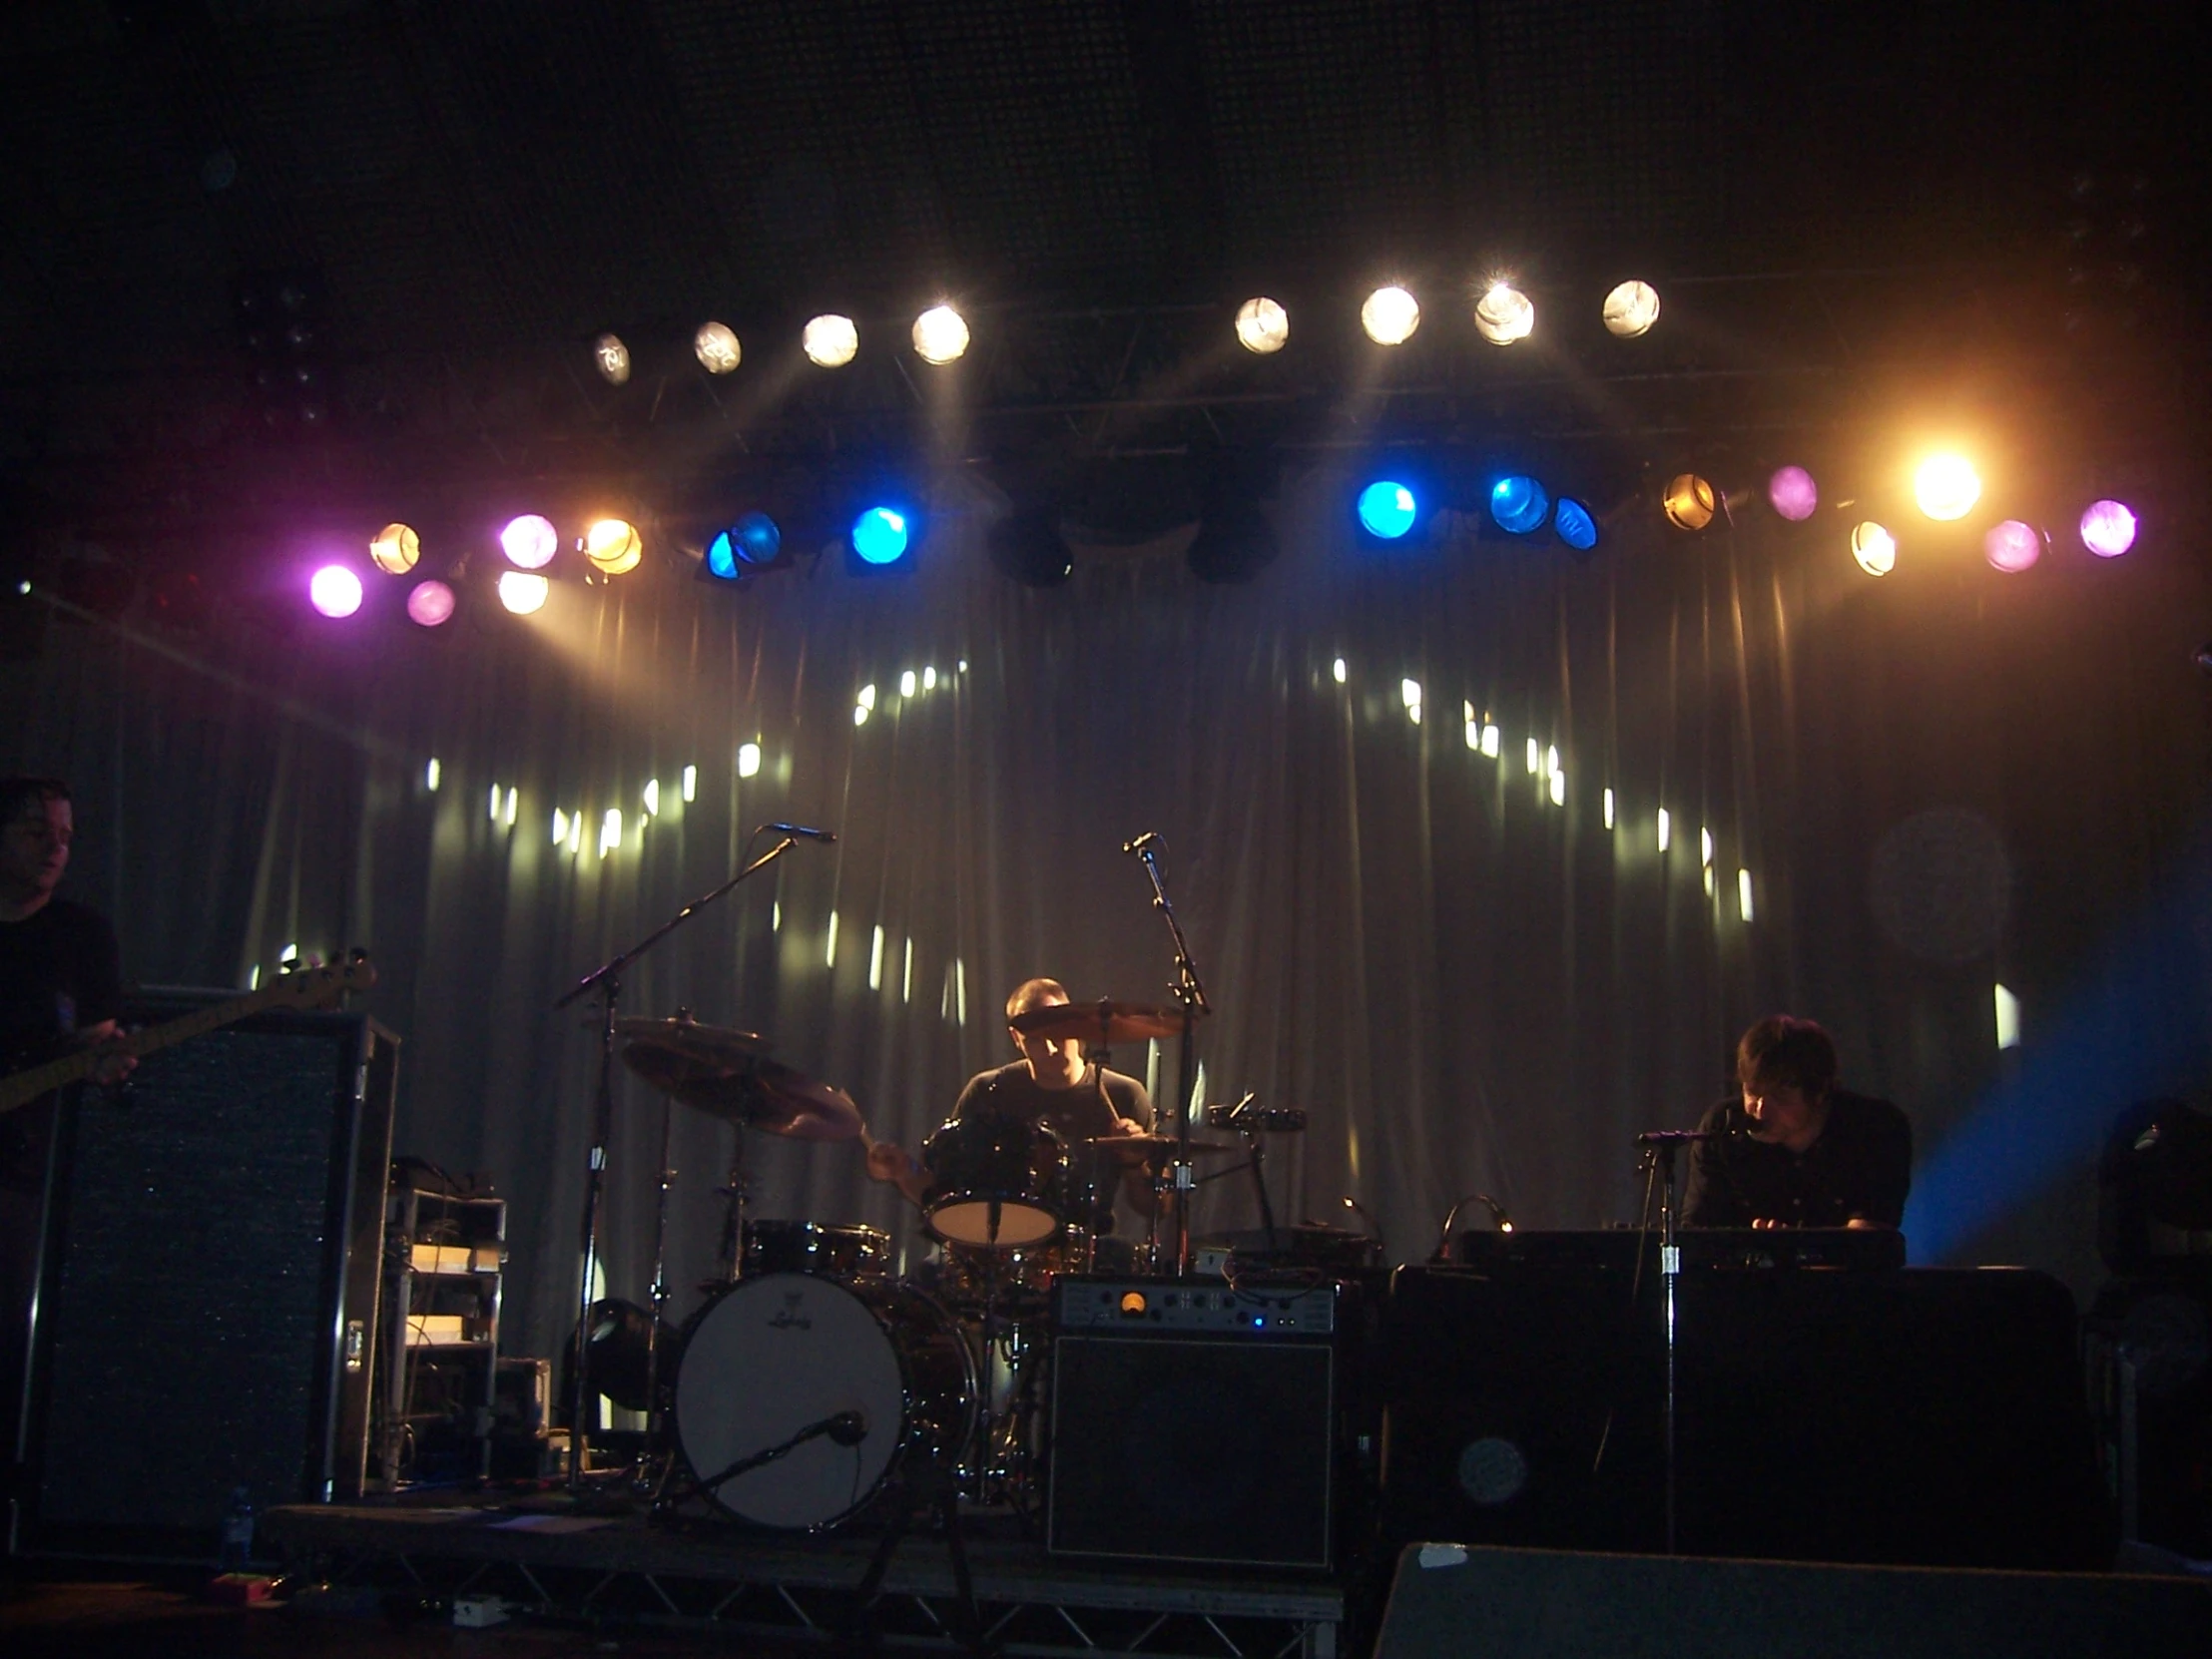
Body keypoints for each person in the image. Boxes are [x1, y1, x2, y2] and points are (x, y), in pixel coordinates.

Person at [0, 777, 133, 1494]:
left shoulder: (80, 936)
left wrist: (108, 1064)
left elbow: (97, 1045)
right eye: (35, 832)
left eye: (65, 836)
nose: (54, 848)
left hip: (24, 1176)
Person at [865, 977, 1159, 1230]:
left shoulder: (1124, 1095)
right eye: (1034, 1039)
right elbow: (945, 1192)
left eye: (1056, 1033)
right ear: (1016, 1039)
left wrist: (1136, 1164)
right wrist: (903, 1171)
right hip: (999, 1249)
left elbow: (1160, 1206)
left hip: (1091, 1253)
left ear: (1077, 1026)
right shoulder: (988, 1091)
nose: (1050, 1047)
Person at [1682, 1014, 1911, 1230]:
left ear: (1820, 1091)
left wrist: (1795, 1252)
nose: (1760, 1111)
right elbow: (1697, 1235)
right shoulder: (1721, 1127)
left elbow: (1869, 1243)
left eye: (1779, 1097)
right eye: (1752, 1093)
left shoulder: (1876, 1128)